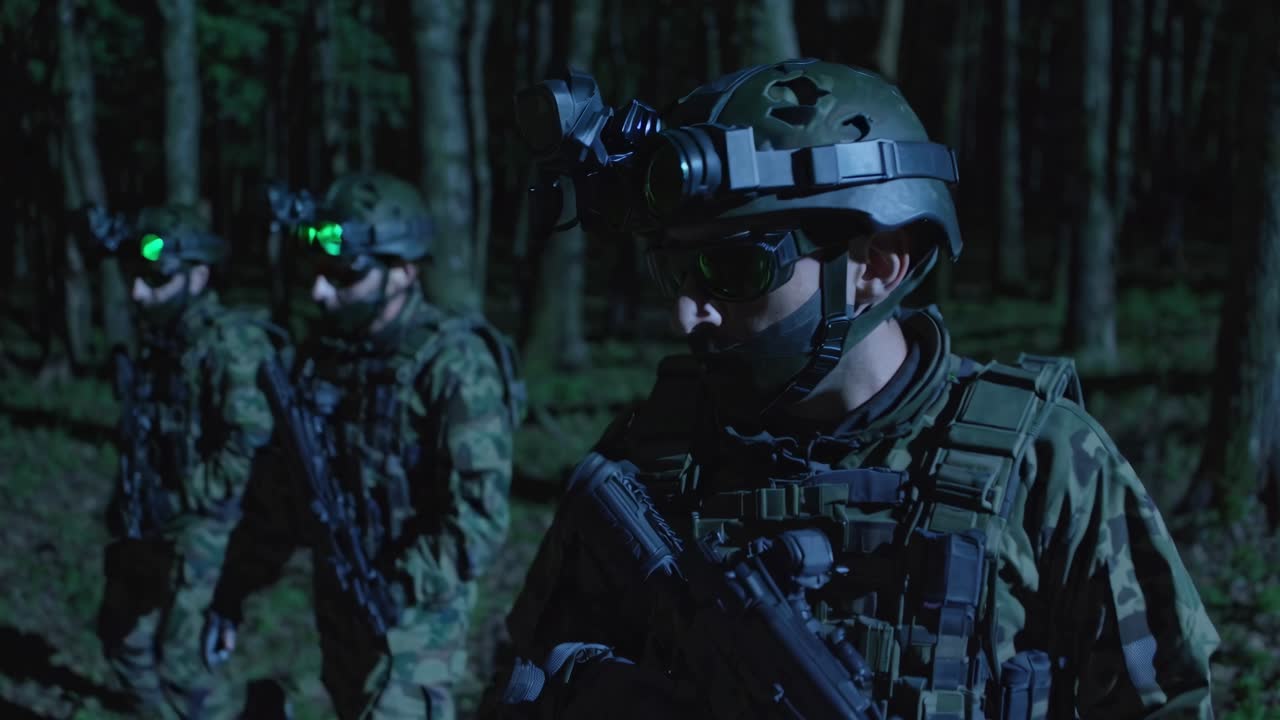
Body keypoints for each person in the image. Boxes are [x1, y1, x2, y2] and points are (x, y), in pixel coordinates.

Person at [483, 59, 1220, 719]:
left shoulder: (1048, 464)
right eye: (673, 272)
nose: (688, 313)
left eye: (734, 272)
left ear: (876, 265)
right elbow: (522, 681)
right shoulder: (654, 461)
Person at [206, 172, 524, 720]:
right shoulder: (325, 358)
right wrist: (233, 589)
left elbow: (477, 517)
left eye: (345, 275)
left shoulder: (454, 364)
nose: (321, 291)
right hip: (341, 612)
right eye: (320, 271)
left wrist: (397, 587)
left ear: (404, 270)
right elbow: (281, 496)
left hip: (418, 622)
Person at [96, 204, 278, 719]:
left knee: (185, 666)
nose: (137, 293)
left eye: (155, 280)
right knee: (122, 634)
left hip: (206, 529)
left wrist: (187, 494)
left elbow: (252, 446)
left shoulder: (230, 344)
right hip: (153, 520)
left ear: (197, 276)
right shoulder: (163, 341)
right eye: (135, 278)